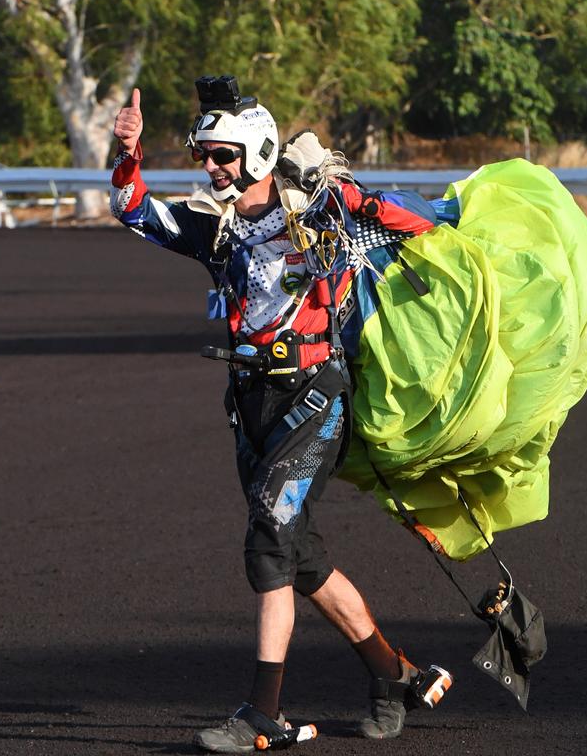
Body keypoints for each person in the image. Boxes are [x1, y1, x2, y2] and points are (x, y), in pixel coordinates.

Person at [110, 77, 453, 752]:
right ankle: (393, 674)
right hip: (250, 407)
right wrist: (126, 151)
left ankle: (263, 712)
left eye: (223, 157)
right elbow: (132, 209)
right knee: (299, 558)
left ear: (260, 153)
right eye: (204, 156)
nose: (211, 169)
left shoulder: (323, 215)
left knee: (269, 536)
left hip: (315, 398)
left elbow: (420, 222)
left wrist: (351, 197)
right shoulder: (217, 231)